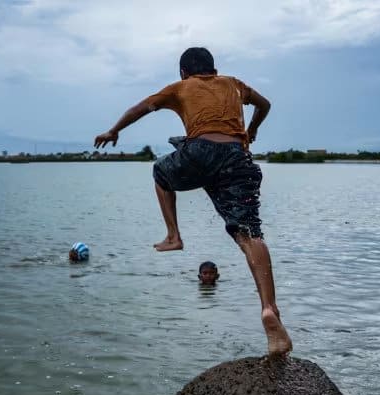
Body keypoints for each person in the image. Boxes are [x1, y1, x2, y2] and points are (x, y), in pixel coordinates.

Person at [93, 47, 292, 355]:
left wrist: (113, 130)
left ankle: (173, 235)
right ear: (214, 70)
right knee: (249, 233)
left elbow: (139, 108)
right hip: (237, 158)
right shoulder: (233, 84)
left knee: (161, 172)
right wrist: (251, 129)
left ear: (184, 73)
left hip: (199, 152)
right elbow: (264, 104)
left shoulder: (180, 87)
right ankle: (269, 309)